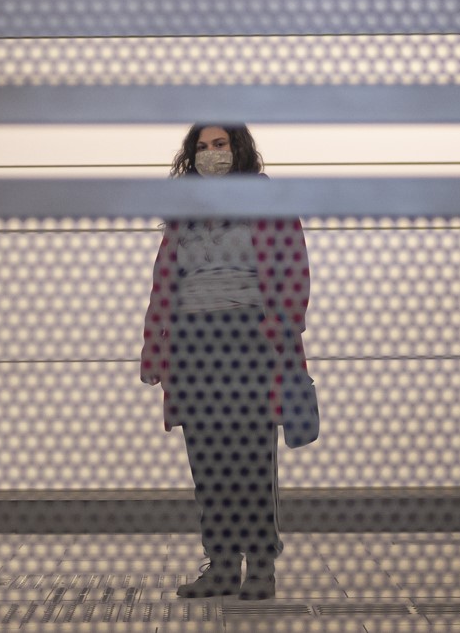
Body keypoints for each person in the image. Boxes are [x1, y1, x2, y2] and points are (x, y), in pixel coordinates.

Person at [140, 124, 311, 600]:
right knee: (209, 460)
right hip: (193, 342)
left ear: (238, 150)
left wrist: (282, 327)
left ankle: (260, 566)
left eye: (220, 145)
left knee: (251, 457)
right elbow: (163, 281)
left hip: (249, 338)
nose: (211, 154)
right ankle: (221, 565)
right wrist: (155, 344)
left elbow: (295, 266)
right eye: (202, 147)